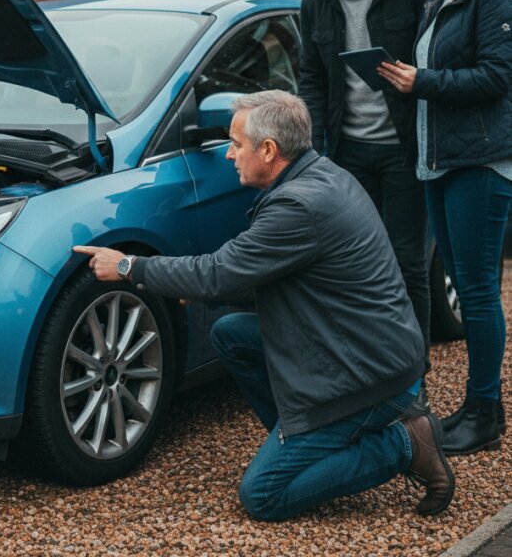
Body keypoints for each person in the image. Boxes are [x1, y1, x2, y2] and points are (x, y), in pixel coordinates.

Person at [74, 91, 454, 522]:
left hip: (368, 376)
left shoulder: (298, 206)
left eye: (237, 144)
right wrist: (205, 287)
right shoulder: (319, 175)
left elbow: (218, 272)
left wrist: (128, 266)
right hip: (357, 346)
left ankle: (406, 443)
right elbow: (279, 279)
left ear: (269, 150)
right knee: (231, 334)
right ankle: (310, 443)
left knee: (263, 495)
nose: (228, 154)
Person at [378, 0, 512, 456]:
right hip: (437, 162)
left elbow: (498, 78)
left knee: (476, 291)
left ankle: (484, 413)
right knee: (463, 280)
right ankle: (479, 408)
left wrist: (423, 82)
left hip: (478, 163)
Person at [298, 0, 436, 366]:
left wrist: (415, 78)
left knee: (407, 263)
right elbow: (311, 79)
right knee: (354, 264)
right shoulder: (315, 1)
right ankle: (370, 368)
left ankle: (413, 373)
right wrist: (315, 152)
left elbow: (437, 61)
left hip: (404, 151)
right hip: (347, 155)